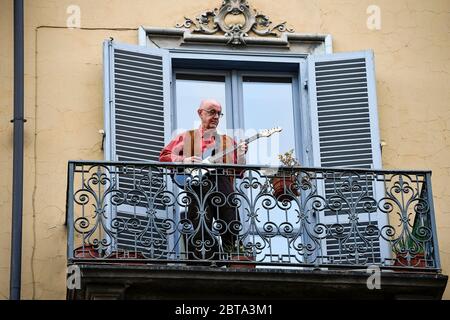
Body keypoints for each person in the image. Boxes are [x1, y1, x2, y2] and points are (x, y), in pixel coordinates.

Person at [159, 99, 248, 262]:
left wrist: (241, 154)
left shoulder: (227, 141)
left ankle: (233, 256)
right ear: (200, 113)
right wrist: (183, 161)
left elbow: (239, 170)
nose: (216, 117)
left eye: (219, 113)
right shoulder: (187, 137)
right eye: (212, 112)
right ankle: (206, 260)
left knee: (230, 220)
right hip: (196, 186)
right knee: (200, 223)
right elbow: (164, 156)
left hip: (222, 187)